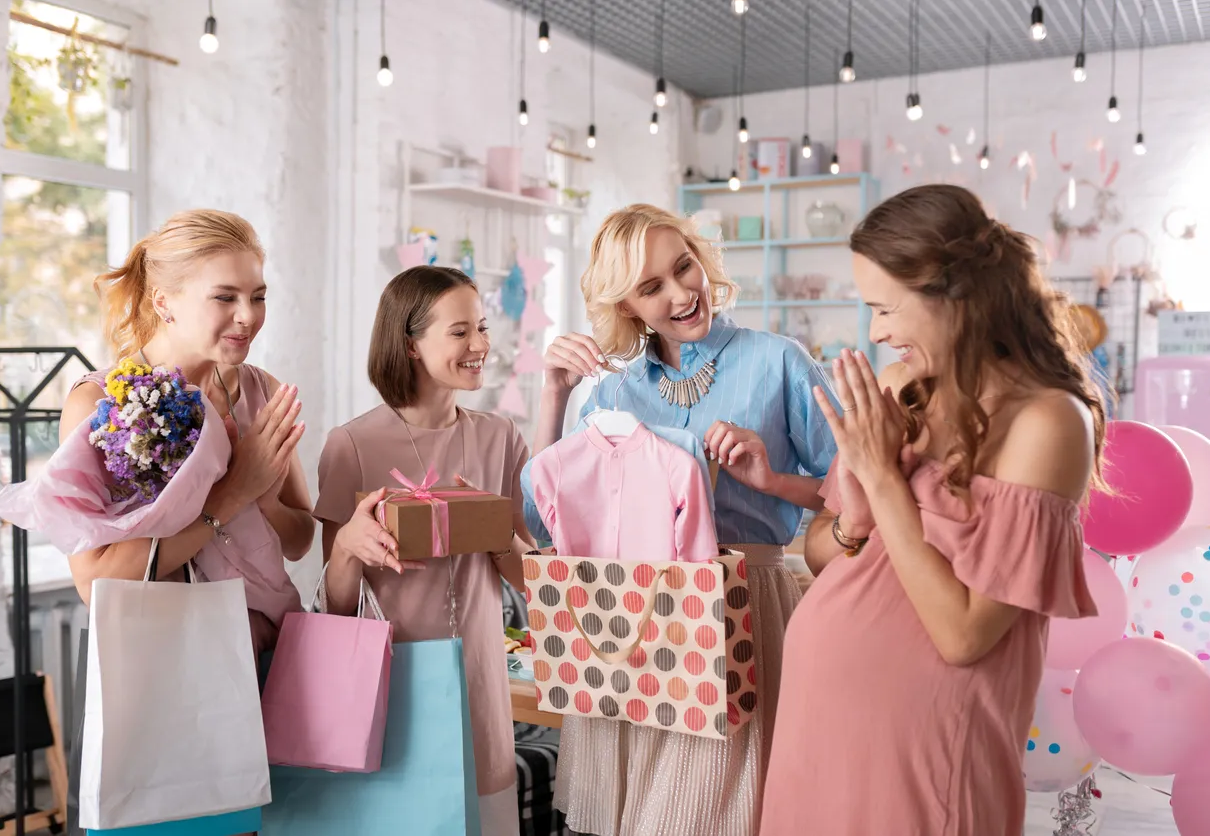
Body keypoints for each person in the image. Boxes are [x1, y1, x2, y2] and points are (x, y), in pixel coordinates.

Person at [759, 184, 1104, 836]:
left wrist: (886, 481)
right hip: (820, 730)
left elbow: (966, 635)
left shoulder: (1048, 422)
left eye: (886, 308)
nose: (877, 331)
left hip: (927, 749)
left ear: (956, 296)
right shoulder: (903, 388)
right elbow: (822, 551)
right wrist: (858, 508)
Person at [531, 203, 837, 836]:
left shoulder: (779, 360)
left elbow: (857, 495)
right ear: (626, 307)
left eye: (684, 267)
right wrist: (554, 394)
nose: (681, 293)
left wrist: (772, 479)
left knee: (712, 816)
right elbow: (542, 521)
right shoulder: (613, 392)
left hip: (742, 605)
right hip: (633, 615)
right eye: (651, 286)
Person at [59, 208, 313, 836]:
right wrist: (230, 493)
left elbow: (303, 537)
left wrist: (263, 487)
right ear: (165, 301)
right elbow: (97, 581)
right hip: (167, 685)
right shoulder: (100, 404)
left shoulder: (263, 392)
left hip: (271, 671)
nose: (248, 316)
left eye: (257, 296)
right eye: (224, 297)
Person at [314, 266, 536, 836]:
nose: (481, 346)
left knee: (484, 819)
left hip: (480, 677)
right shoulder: (351, 445)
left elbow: (527, 576)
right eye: (460, 332)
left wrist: (493, 533)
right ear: (411, 344)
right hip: (390, 684)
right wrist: (345, 549)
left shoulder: (500, 437)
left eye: (482, 328)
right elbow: (335, 607)